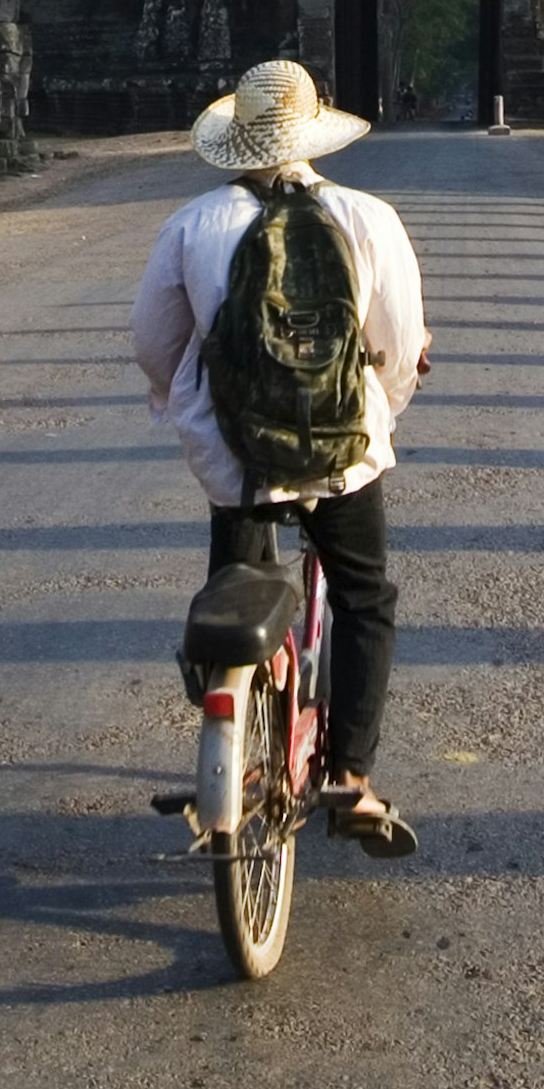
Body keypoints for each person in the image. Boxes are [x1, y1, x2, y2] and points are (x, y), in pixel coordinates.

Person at [131, 58, 429, 853]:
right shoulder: (368, 217)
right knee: (364, 597)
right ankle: (352, 777)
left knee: (233, 587)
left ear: (239, 140)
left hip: (236, 456)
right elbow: (397, 347)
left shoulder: (193, 225)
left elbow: (154, 347)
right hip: (343, 448)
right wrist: (378, 414)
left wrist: (189, 413)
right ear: (313, 134)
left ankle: (231, 726)